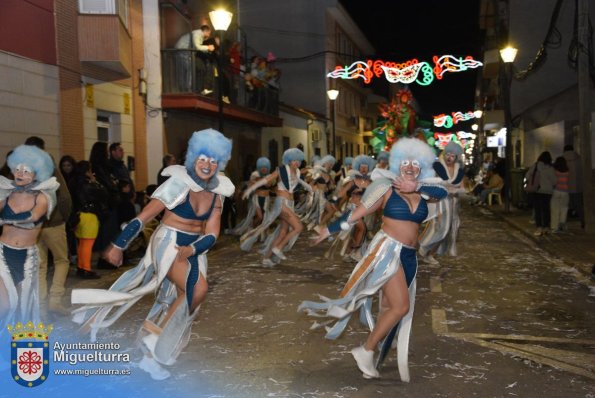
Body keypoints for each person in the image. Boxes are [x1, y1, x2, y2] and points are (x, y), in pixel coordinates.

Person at [71, 129, 234, 380]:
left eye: (213, 160)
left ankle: (150, 353)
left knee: (178, 300)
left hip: (194, 247)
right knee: (197, 290)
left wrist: (193, 249)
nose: (207, 165)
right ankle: (154, 341)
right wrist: (118, 245)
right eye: (202, 158)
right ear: (193, 159)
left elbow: (213, 232)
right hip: (168, 241)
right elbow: (144, 215)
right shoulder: (178, 183)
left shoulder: (218, 191)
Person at [299, 138, 447, 381]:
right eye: (405, 162)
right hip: (387, 252)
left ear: (421, 167)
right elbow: (357, 213)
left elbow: (442, 191)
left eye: (416, 164)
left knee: (391, 308)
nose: (410, 167)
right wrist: (329, 229)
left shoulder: (425, 192)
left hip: (410, 256)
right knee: (401, 306)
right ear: (398, 164)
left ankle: (373, 353)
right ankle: (366, 350)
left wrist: (416, 186)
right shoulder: (385, 188)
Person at [0, 144, 58, 328]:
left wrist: (4, 219)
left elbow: (33, 218)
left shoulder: (44, 196)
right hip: (2, 254)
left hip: (27, 259)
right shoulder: (6, 193)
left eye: (26, 170)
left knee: (23, 310)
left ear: (37, 173)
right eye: (17, 169)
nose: (20, 173)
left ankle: (15, 349)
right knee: (6, 305)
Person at [24, 136, 73, 316]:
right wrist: (63, 217)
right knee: (61, 260)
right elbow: (64, 196)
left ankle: (40, 307)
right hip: (53, 222)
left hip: (32, 225)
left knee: (40, 265)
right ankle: (55, 300)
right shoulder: (49, 165)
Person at [239, 148, 312, 266]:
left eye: (298, 160)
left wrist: (304, 184)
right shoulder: (282, 170)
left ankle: (266, 258)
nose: (296, 162)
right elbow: (267, 179)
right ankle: (278, 249)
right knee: (298, 227)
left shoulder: (297, 172)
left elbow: (306, 186)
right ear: (288, 160)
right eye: (294, 160)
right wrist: (250, 189)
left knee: (283, 232)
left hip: (290, 204)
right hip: (282, 204)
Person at [418, 142, 465, 265]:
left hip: (453, 203)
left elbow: (463, 187)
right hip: (439, 202)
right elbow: (429, 183)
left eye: (452, 156)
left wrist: (456, 190)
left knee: (449, 230)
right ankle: (422, 247)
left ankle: (430, 254)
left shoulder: (459, 171)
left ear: (456, 158)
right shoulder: (437, 167)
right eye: (447, 154)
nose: (449, 157)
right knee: (439, 227)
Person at [72, 160, 108, 279]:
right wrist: (95, 182)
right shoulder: (88, 184)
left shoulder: (74, 182)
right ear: (87, 171)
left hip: (79, 216)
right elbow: (103, 194)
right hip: (90, 216)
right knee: (88, 244)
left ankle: (81, 267)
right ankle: (86, 269)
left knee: (81, 244)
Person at [229, 157, 272, 236]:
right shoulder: (255, 174)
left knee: (265, 218)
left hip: (266, 199)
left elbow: (269, 184)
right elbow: (250, 185)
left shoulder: (269, 175)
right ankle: (252, 228)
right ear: (259, 166)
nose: (264, 169)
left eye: (265, 167)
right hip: (257, 198)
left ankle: (259, 233)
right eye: (262, 167)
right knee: (260, 217)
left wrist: (260, 180)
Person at [175, 25, 215, 94]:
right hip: (183, 52)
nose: (209, 34)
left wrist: (205, 43)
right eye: (209, 33)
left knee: (185, 71)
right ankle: (189, 89)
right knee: (189, 70)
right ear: (205, 31)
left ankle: (185, 89)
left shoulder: (197, 34)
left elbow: (197, 46)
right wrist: (208, 47)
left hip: (182, 52)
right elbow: (197, 46)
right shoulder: (198, 34)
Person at [525, 151, 556, 236]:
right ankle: (546, 227)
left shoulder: (535, 166)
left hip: (537, 190)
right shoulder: (550, 168)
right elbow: (554, 181)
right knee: (546, 209)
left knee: (537, 209)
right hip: (547, 191)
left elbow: (527, 176)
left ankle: (539, 228)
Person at [562, 145, 584, 228]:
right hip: (578, 186)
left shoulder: (562, 160)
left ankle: (563, 223)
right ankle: (583, 221)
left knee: (565, 206)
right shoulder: (579, 159)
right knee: (579, 206)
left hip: (565, 187)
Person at [550, 156, 569, 233]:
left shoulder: (554, 171)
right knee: (564, 208)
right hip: (565, 191)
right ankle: (562, 223)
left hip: (556, 191)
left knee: (555, 209)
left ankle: (555, 227)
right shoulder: (568, 172)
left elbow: (552, 181)